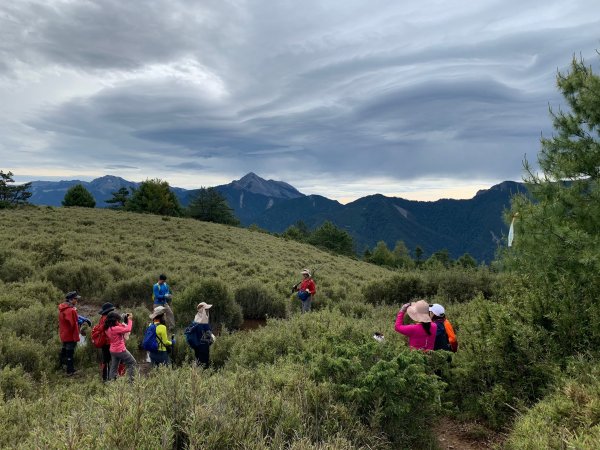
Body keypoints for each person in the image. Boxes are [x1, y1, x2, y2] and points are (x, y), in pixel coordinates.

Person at [105, 311, 137, 382]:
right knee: (132, 362)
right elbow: (128, 329)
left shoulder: (108, 328)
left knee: (114, 367)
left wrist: (124, 320)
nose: (118, 321)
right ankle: (130, 381)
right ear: (114, 320)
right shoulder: (115, 329)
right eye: (117, 320)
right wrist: (130, 320)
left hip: (113, 350)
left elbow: (120, 327)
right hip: (120, 350)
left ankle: (112, 382)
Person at [58, 291, 82, 376]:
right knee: (70, 352)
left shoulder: (62, 308)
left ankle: (61, 366)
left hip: (64, 333)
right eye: (76, 299)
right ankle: (70, 370)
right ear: (71, 300)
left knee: (64, 350)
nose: (77, 301)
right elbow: (73, 324)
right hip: (70, 335)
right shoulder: (70, 311)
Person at [186, 302, 215, 369]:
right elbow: (208, 333)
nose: (208, 311)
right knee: (204, 364)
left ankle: (196, 376)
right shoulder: (204, 321)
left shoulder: (196, 319)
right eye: (206, 309)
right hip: (203, 346)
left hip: (197, 346)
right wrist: (212, 337)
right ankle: (203, 377)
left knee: (198, 361)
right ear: (203, 310)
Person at [96, 302, 116, 381]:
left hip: (104, 342)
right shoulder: (107, 319)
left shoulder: (102, 317)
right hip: (108, 342)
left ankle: (104, 378)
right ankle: (109, 378)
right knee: (110, 360)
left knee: (105, 360)